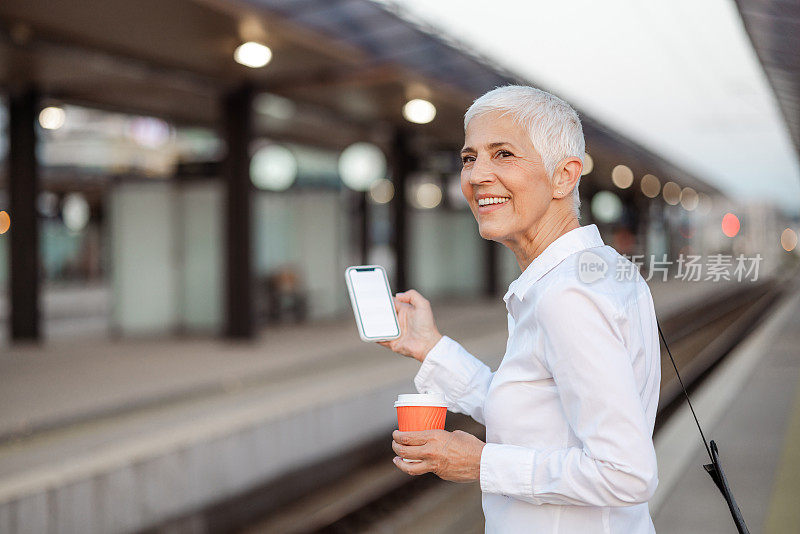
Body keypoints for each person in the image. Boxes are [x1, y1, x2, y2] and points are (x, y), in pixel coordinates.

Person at [379, 85, 661, 533]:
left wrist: (482, 463)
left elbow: (625, 473)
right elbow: (538, 416)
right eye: (469, 158)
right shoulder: (596, 271)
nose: (476, 177)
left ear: (565, 176)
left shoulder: (566, 296)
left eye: (504, 154)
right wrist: (431, 349)